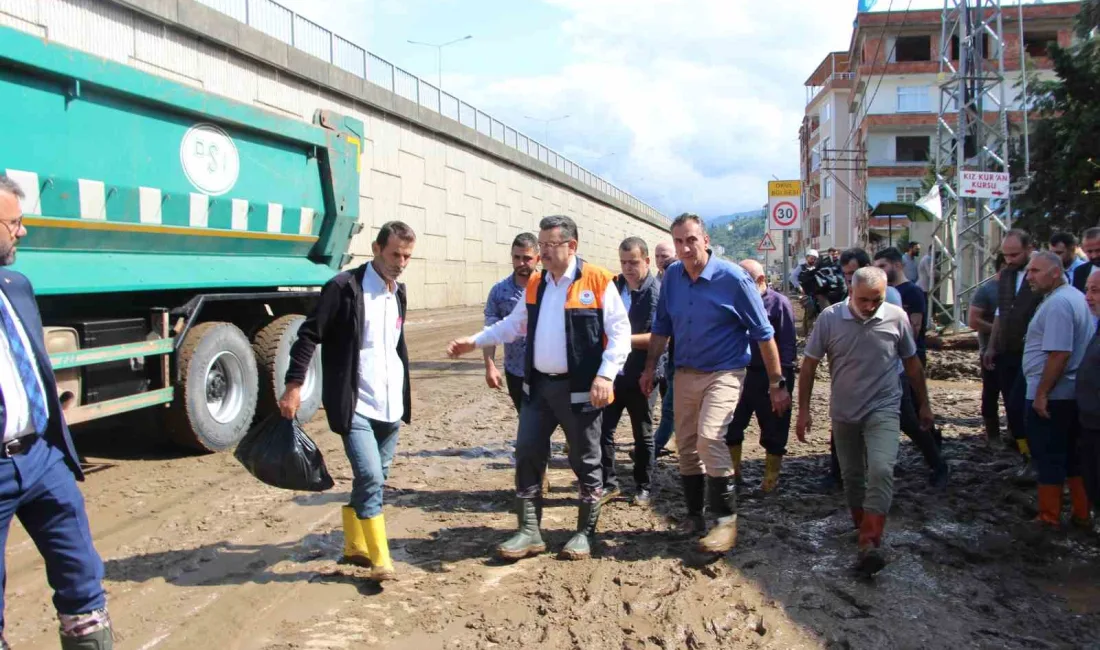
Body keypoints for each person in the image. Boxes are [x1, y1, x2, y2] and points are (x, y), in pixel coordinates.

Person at [446, 215, 631, 561]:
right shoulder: (537, 283)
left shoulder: (598, 280)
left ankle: (583, 533)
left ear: (571, 246)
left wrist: (605, 376)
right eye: (541, 245)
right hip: (539, 389)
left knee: (585, 460)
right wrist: (475, 342)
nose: (541, 252)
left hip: (581, 392)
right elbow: (514, 324)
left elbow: (620, 334)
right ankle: (529, 531)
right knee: (528, 452)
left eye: (549, 245)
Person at [0, 175, 114, 649]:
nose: (22, 232)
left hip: (42, 458)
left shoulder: (16, 285)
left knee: (82, 577)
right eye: (14, 223)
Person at [640, 213, 790, 555]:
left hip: (725, 372)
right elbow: (662, 326)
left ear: (706, 240)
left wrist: (776, 382)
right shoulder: (673, 276)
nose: (685, 247)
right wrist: (650, 368)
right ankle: (695, 517)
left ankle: (725, 521)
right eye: (678, 241)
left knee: (711, 437)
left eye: (691, 239)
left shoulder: (734, 279)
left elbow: (764, 334)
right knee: (687, 446)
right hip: (685, 372)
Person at [280, 221, 416, 582]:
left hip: (391, 405)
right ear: (375, 248)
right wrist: (294, 385)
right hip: (355, 402)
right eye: (394, 254)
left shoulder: (398, 292)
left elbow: (395, 346)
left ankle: (354, 546)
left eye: (407, 256)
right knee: (370, 474)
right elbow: (309, 335)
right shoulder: (344, 288)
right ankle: (380, 559)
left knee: (376, 476)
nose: (400, 262)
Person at [796, 266, 933, 577]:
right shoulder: (830, 319)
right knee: (853, 476)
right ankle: (861, 527)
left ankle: (870, 541)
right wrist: (803, 411)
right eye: (864, 300)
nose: (870, 306)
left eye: (877, 299)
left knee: (882, 468)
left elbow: (912, 364)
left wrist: (924, 404)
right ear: (850, 293)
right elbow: (808, 368)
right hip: (844, 411)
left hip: (884, 406)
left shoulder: (896, 317)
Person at [815, 247, 906, 494]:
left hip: (889, 378)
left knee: (911, 423)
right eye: (845, 275)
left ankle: (935, 462)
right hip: (854, 389)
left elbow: (903, 342)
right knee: (846, 433)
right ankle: (842, 475)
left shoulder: (891, 300)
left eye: (852, 273)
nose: (848, 279)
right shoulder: (839, 309)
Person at [1021, 252, 1094, 528]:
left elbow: (1059, 354)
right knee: (1072, 457)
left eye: (1035, 271)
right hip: (1069, 393)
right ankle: (1081, 512)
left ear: (1055, 272)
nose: (1029, 277)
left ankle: (1049, 517)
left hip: (1054, 394)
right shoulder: (1071, 296)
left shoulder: (1059, 304)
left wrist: (1041, 393)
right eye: (1029, 271)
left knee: (1048, 454)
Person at [724, 259, 797, 493]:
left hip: (770, 377)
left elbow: (786, 347)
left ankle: (769, 481)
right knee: (732, 425)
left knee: (774, 428)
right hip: (740, 374)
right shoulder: (735, 303)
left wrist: (780, 383)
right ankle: (734, 475)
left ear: (761, 281)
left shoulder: (779, 304)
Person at [600, 238, 660, 505]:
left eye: (633, 262)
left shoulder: (656, 293)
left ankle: (643, 487)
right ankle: (608, 484)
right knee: (603, 430)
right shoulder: (614, 286)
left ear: (646, 261)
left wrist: (620, 340)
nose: (627, 268)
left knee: (642, 434)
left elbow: (659, 338)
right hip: (614, 374)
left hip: (643, 374)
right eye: (623, 262)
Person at [983, 230, 1042, 477]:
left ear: (1030, 248)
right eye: (1005, 255)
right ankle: (1025, 456)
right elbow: (1000, 313)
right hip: (1006, 351)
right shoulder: (1006, 275)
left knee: (1026, 406)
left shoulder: (1043, 273)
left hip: (1033, 353)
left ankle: (1039, 459)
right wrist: (991, 346)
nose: (1009, 260)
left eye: (1014, 254)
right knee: (1012, 407)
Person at [483, 233, 539, 412]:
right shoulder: (500, 291)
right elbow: (491, 331)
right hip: (516, 371)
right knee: (528, 425)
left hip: (547, 373)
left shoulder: (550, 287)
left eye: (527, 258)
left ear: (537, 258)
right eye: (517, 257)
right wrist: (490, 366)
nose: (522, 263)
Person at [968, 255, 1005, 444]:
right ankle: (993, 437)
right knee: (991, 394)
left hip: (1015, 352)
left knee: (1013, 397)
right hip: (990, 352)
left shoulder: (1021, 290)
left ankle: (1016, 436)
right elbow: (973, 320)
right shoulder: (987, 290)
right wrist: (1000, 331)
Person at [1076, 272, 1100, 513]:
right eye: (1087, 289)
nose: (1088, 297)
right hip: (1090, 423)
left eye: (1096, 291)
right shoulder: (1096, 325)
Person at [652, 242, 677, 456]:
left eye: (665, 255)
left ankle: (658, 443)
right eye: (658, 256)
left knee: (670, 403)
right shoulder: (655, 284)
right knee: (668, 402)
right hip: (664, 355)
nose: (660, 259)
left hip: (678, 356)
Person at [1071, 227, 1100, 293]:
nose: (1094, 255)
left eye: (1098, 250)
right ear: (1083, 249)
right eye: (1089, 251)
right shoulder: (1080, 272)